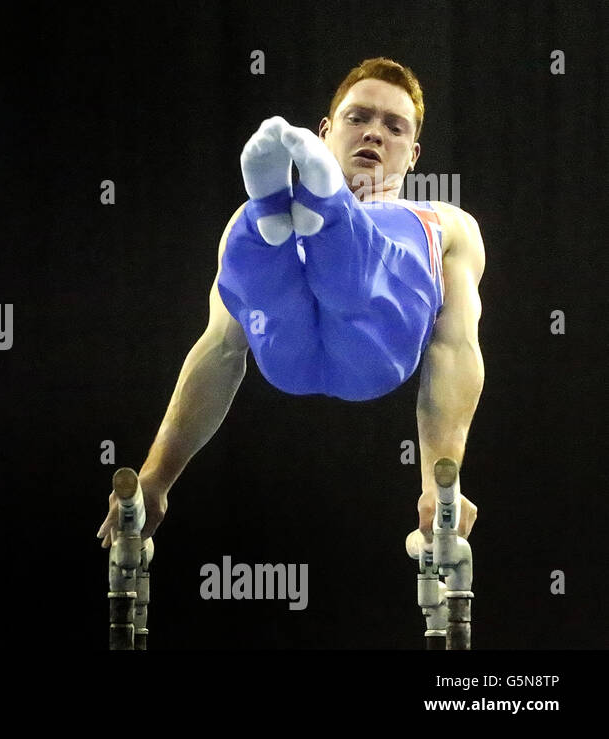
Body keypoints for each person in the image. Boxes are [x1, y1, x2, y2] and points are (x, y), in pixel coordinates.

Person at [98, 58, 484, 557]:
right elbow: (219, 350)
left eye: (394, 127)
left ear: (414, 154)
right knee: (255, 241)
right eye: (358, 118)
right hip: (287, 351)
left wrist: (439, 480)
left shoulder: (447, 224)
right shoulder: (260, 224)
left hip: (377, 348)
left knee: (382, 243)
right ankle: (309, 210)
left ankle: (331, 215)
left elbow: (454, 350)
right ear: (324, 132)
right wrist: (156, 478)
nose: (374, 134)